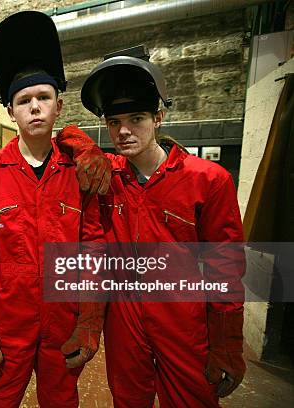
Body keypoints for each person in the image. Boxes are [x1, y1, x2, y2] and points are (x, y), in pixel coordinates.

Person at [56, 46, 246, 407]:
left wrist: (225, 343)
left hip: (182, 317)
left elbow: (227, 268)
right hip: (124, 317)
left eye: (137, 119)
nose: (124, 131)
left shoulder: (208, 180)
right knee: (128, 399)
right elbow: (64, 134)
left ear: (158, 118)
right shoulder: (108, 174)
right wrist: (86, 149)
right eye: (114, 123)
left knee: (193, 401)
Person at [0, 11, 110, 407]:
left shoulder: (80, 169)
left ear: (59, 106)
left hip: (63, 320)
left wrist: (90, 317)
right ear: (10, 112)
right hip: (8, 322)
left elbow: (94, 246)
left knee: (61, 400)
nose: (34, 107)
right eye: (24, 101)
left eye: (43, 98)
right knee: (0, 399)